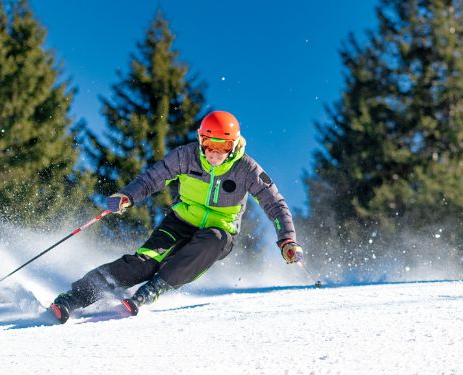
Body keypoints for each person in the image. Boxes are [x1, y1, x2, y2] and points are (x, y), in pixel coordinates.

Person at [49, 110, 304, 323]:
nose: (215, 153)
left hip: (220, 231)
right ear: (200, 140)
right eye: (209, 144)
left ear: (235, 144)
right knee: (143, 262)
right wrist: (127, 197)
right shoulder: (186, 156)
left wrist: (287, 240)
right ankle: (74, 298)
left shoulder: (247, 169)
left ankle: (154, 288)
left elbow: (275, 203)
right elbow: (152, 179)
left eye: (223, 146)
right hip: (180, 222)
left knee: (211, 241)